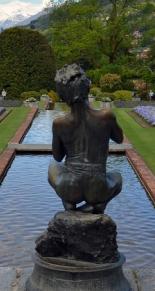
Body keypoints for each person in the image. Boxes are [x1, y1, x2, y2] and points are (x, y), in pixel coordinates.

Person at [48, 64, 123, 214]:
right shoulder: (106, 116)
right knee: (117, 177)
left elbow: (57, 156)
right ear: (87, 88)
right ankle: (96, 206)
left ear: (62, 96)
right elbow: (119, 139)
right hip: (98, 187)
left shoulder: (59, 123)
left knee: (53, 166)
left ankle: (69, 206)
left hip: (69, 187)